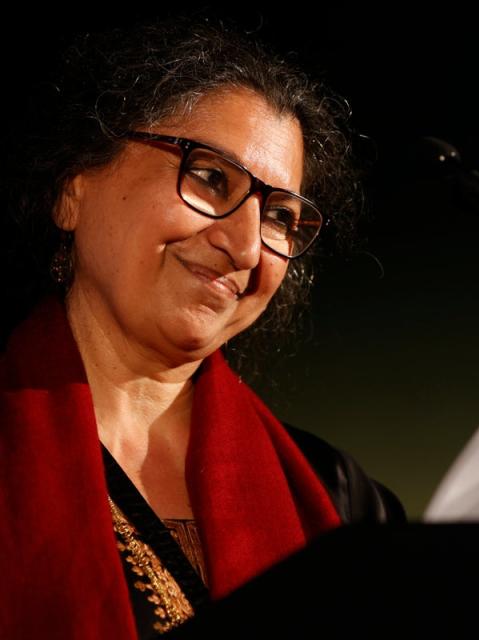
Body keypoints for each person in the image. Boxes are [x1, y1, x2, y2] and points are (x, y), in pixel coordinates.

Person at [0, 16, 404, 639]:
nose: (245, 247)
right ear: (72, 189)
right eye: (212, 178)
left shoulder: (338, 499)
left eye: (280, 217)